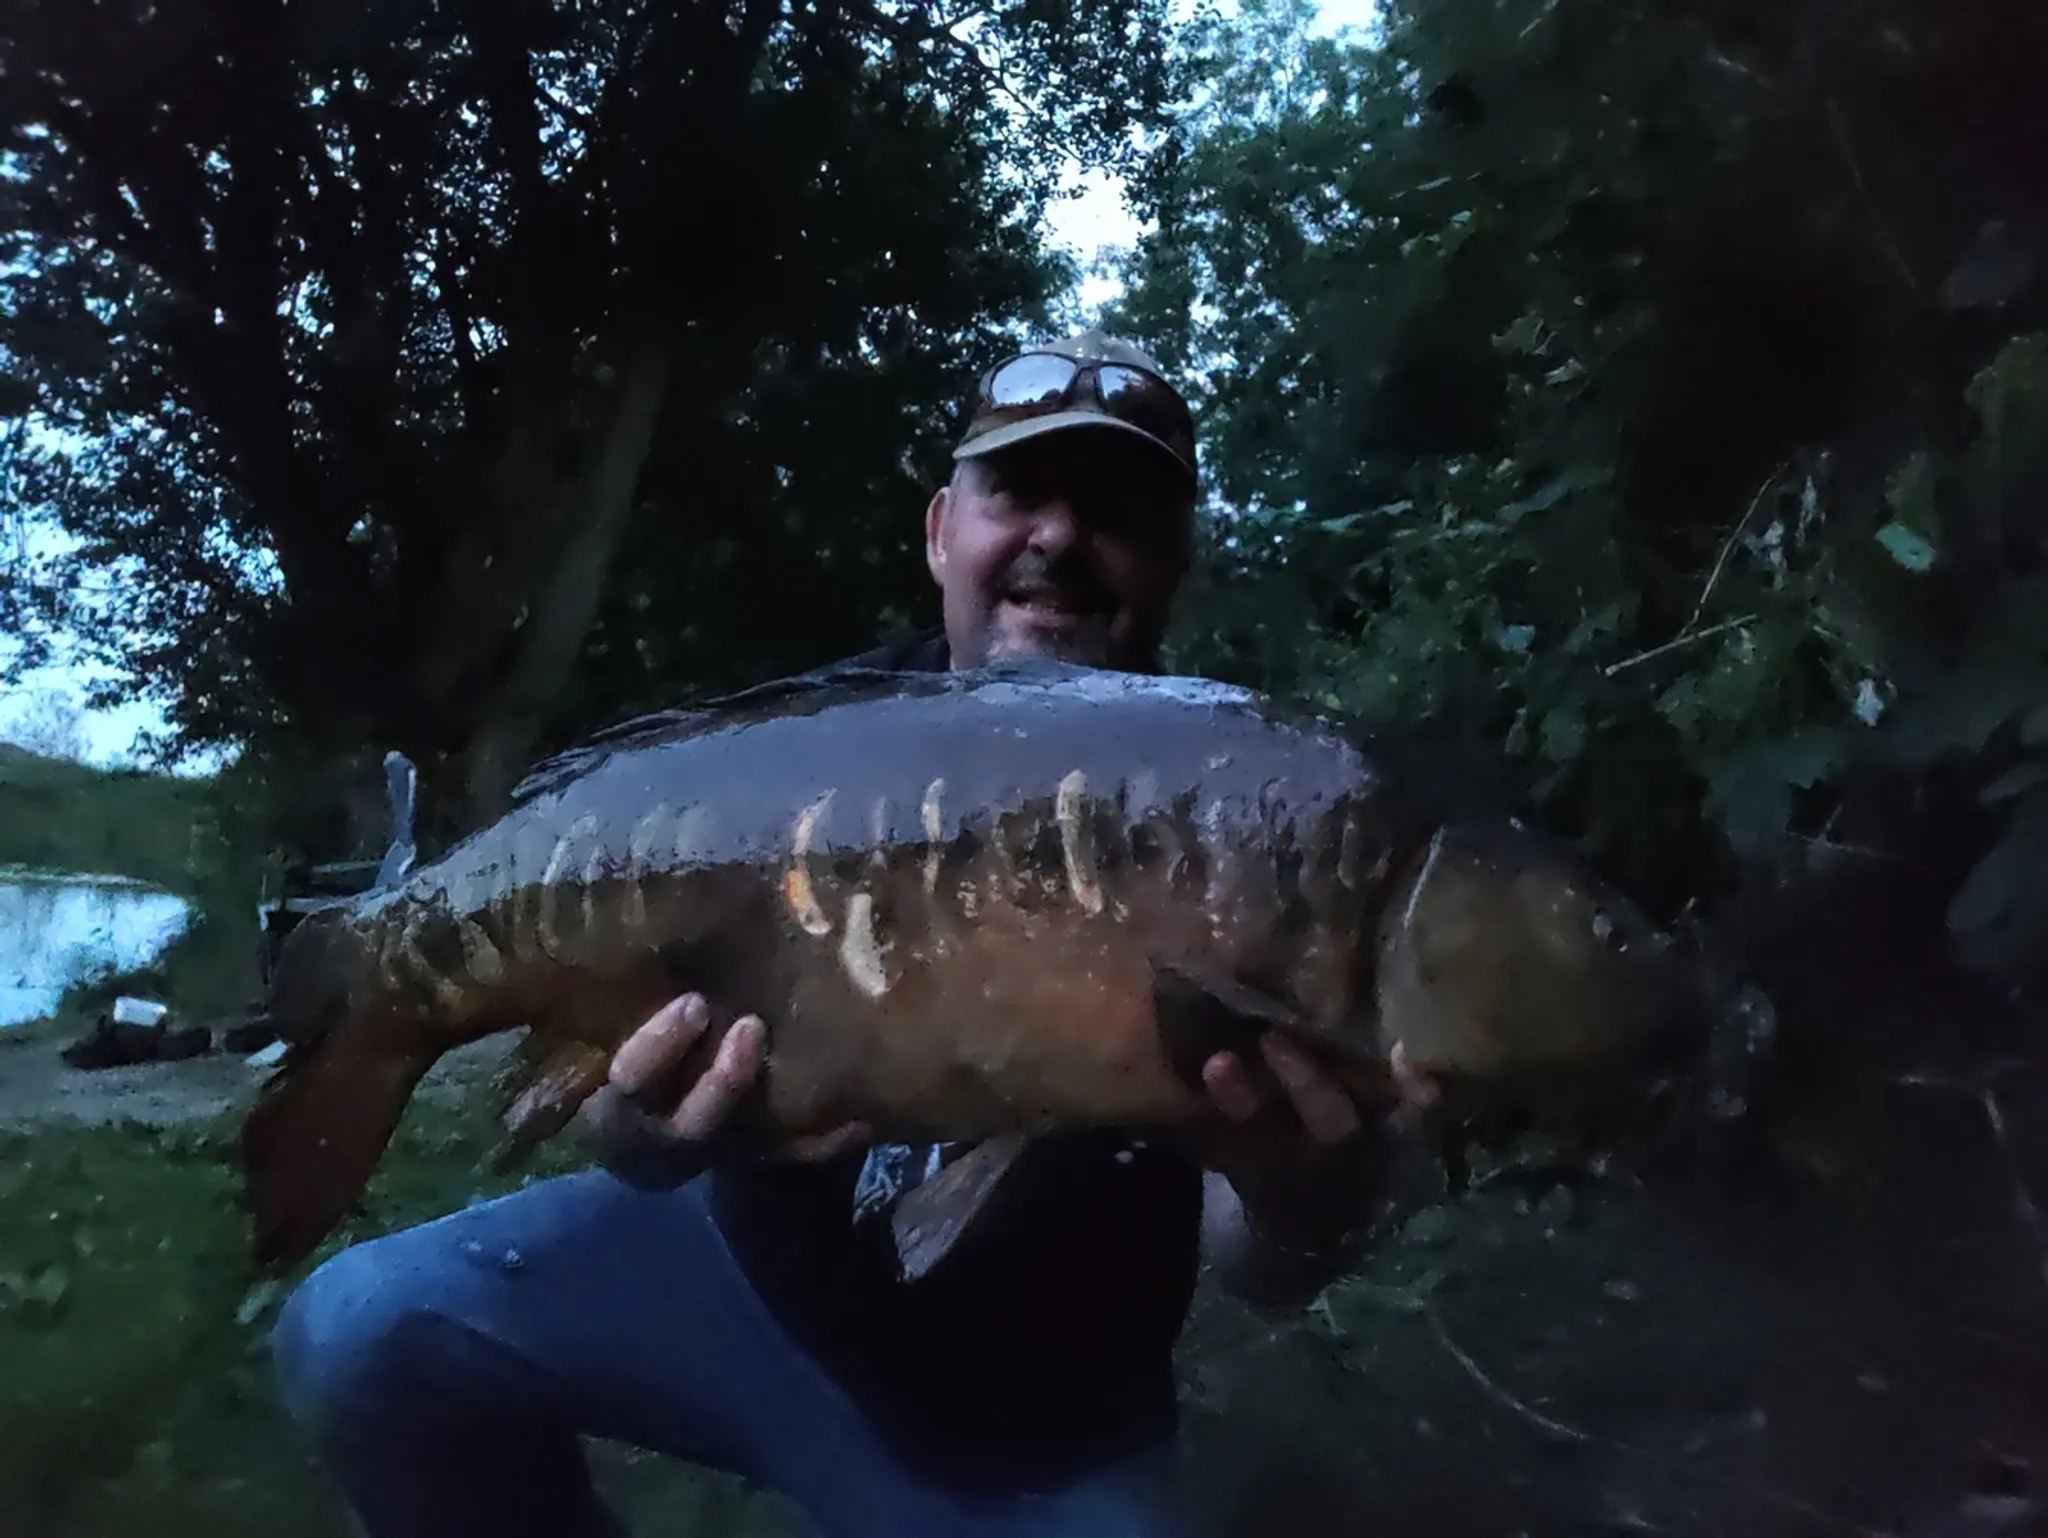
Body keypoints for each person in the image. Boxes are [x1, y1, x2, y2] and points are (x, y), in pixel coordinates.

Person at [269, 329, 1389, 1538]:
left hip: (1033, 1445)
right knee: (362, 1325)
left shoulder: (1259, 815)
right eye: (1015, 492)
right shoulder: (804, 752)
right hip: (740, 1301)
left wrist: (1299, 1191)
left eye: (1114, 507)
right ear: (938, 535)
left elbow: (1262, 1269)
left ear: (1173, 561)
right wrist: (644, 1123)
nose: (1058, 536)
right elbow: (630, 1135)